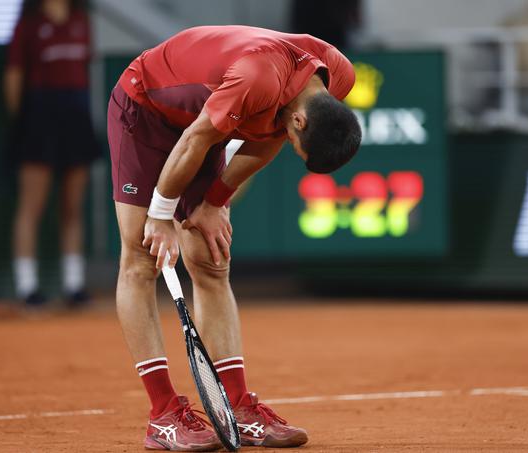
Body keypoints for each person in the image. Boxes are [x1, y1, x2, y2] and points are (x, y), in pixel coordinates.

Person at [107, 25, 361, 451]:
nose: (293, 146)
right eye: (303, 147)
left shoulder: (336, 78)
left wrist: (213, 202)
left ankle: (238, 409)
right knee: (140, 258)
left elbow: (270, 141)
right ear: (302, 119)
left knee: (210, 259)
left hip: (207, 120)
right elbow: (195, 140)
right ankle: (164, 416)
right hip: (147, 110)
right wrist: (161, 214)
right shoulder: (258, 79)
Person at [4, 0, 99, 307]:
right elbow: (14, 75)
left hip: (76, 114)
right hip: (39, 116)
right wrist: (23, 123)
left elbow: (85, 68)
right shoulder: (28, 24)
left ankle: (74, 285)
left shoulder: (81, 20)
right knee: (32, 205)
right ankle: (27, 287)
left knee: (72, 206)